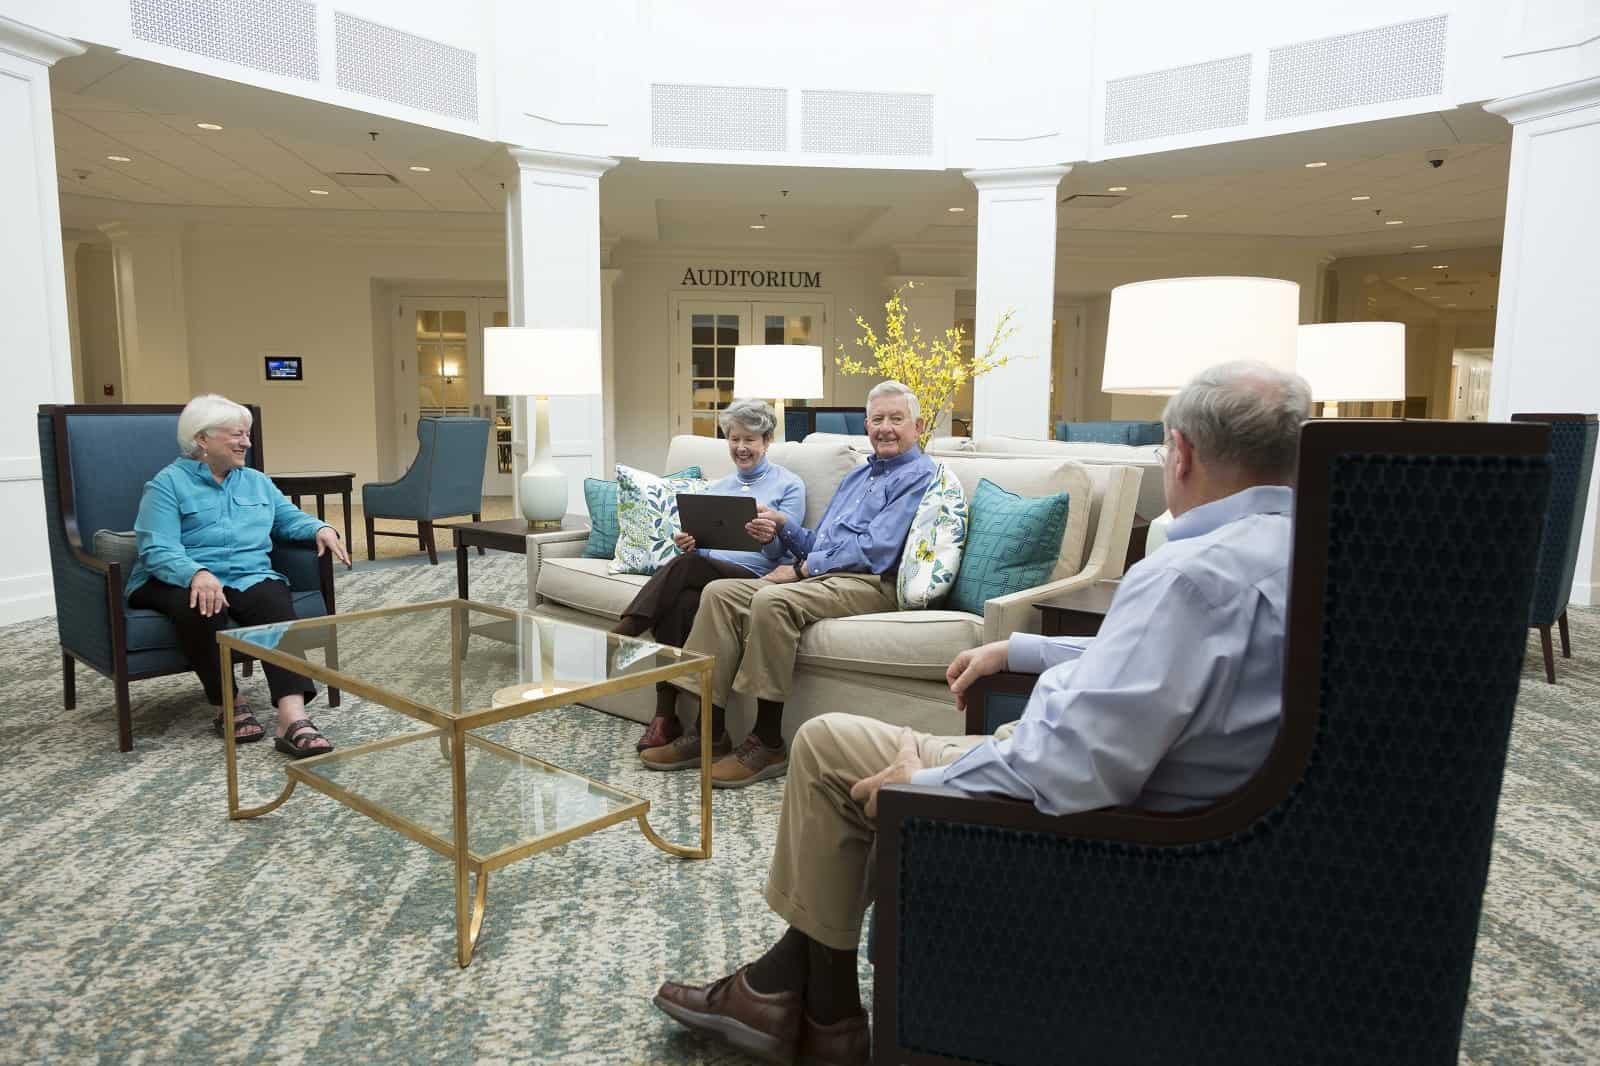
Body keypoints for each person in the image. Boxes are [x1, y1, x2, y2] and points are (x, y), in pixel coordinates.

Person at [651, 361, 1313, 1066]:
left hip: (1091, 813)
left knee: (824, 747)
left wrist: (919, 784)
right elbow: (1164, 664)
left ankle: (805, 998)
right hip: (1178, 802)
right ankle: (805, 1000)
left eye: (893, 419)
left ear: (1180, 452)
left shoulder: (1186, 577)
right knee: (782, 665)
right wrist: (1025, 648)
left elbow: (1072, 769)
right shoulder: (1310, 555)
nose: (881, 428)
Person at [640, 380, 936, 789]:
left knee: (773, 602)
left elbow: (876, 550)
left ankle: (767, 740)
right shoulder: (857, 476)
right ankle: (708, 729)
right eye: (878, 419)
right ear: (866, 425)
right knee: (719, 593)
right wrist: (785, 527)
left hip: (870, 582)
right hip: (829, 574)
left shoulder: (918, 475)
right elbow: (821, 541)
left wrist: (801, 570)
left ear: (917, 426)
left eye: (896, 419)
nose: (885, 427)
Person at [126, 394, 353, 757]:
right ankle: (227, 703)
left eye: (247, 434)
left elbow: (287, 518)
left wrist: (319, 528)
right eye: (237, 435)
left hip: (245, 574)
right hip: (171, 578)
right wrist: (195, 572)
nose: (247, 442)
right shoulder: (166, 484)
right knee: (203, 604)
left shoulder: (256, 482)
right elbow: (157, 548)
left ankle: (291, 718)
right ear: (202, 439)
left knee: (272, 596)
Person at [612, 399, 805, 752]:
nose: (741, 448)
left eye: (750, 440)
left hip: (753, 577)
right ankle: (666, 717)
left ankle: (626, 630)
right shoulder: (719, 487)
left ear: (766, 441)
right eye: (734, 439)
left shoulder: (789, 486)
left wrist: (771, 536)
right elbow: (707, 551)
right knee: (681, 601)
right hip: (708, 575)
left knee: (685, 571)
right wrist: (691, 544)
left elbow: (788, 554)